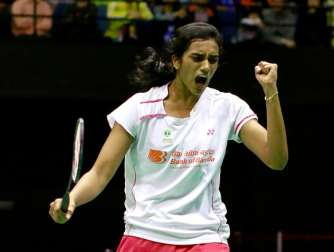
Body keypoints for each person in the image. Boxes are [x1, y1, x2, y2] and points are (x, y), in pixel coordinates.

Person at [49, 22, 288, 252]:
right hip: (144, 235)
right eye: (197, 58)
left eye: (212, 60)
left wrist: (271, 91)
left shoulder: (226, 107)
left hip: (204, 238)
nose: (206, 66)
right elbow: (100, 174)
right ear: (176, 60)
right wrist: (72, 200)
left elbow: (276, 159)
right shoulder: (140, 108)